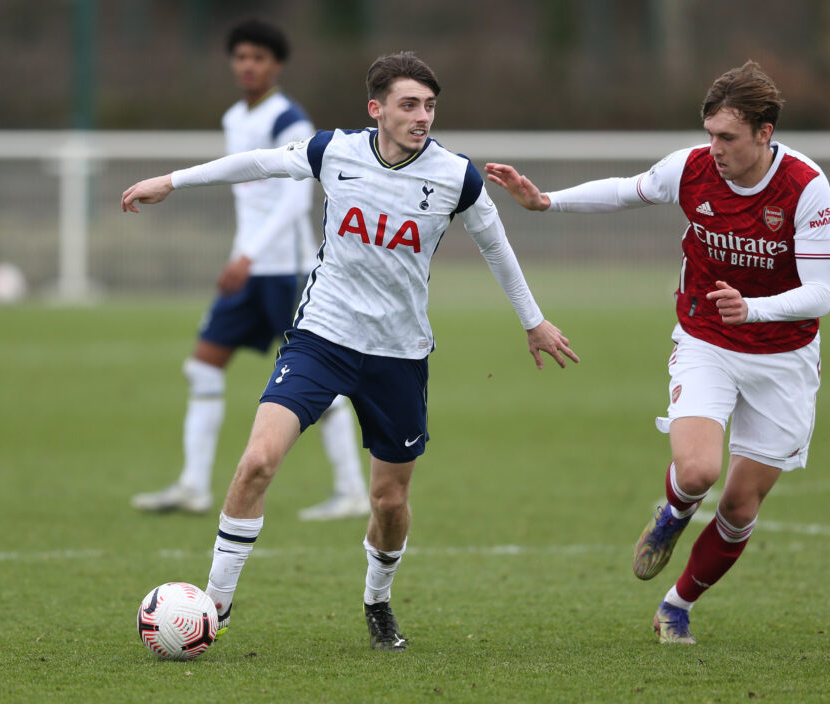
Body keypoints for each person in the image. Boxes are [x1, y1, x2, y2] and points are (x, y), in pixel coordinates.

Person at [122, 51, 578, 651]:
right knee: (257, 461)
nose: (422, 116)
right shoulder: (333, 151)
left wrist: (533, 320)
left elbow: (497, 247)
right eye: (409, 105)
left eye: (429, 106)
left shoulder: (455, 176)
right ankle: (216, 605)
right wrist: (171, 181)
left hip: (398, 354)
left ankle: (377, 599)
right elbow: (258, 161)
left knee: (389, 502)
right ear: (377, 109)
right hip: (322, 337)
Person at [485, 60, 830, 645]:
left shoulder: (805, 185)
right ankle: (673, 514)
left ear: (764, 133)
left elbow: (822, 291)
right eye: (709, 134)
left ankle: (677, 604)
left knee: (741, 508)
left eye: (727, 136)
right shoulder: (691, 169)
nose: (715, 147)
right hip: (706, 338)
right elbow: (626, 192)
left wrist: (755, 309)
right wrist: (545, 201)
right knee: (698, 470)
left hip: (784, 356)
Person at [129, 18, 370, 522]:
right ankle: (194, 485)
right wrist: (241, 254)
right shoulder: (235, 116)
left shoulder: (289, 120)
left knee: (316, 383)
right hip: (249, 267)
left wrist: (249, 254)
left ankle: (351, 491)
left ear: (276, 65)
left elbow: (293, 200)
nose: (247, 66)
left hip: (287, 270)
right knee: (202, 365)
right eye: (240, 57)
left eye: (258, 58)